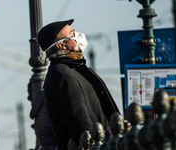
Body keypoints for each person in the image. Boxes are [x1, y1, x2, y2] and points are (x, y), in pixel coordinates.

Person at [37, 19, 120, 150]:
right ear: (61, 45)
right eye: (72, 34)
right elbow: (79, 121)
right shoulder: (62, 74)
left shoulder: (74, 69)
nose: (78, 36)